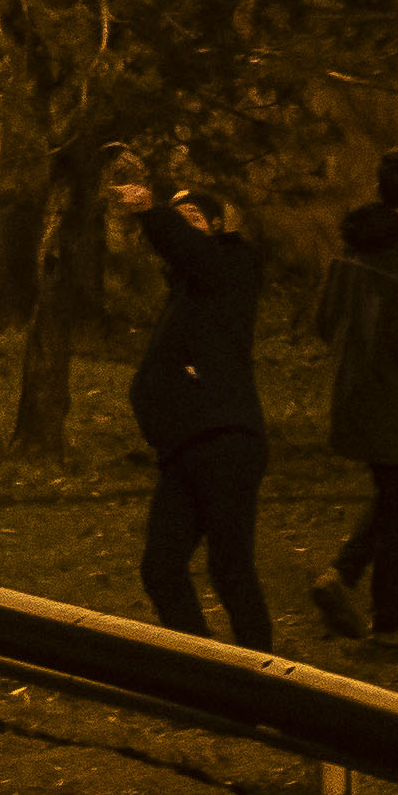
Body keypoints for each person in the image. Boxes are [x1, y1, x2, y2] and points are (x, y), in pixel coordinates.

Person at [118, 156, 274, 650]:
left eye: (195, 221)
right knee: (161, 569)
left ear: (216, 228)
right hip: (183, 450)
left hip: (225, 441)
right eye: (177, 221)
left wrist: (152, 209)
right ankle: (208, 672)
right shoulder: (184, 293)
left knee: (229, 567)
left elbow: (195, 254)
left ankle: (265, 680)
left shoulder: (232, 264)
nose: (183, 233)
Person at [318, 164, 398, 642]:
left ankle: (341, 575)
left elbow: (326, 321)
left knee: (393, 499)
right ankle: (388, 622)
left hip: (357, 396)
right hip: (394, 401)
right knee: (396, 511)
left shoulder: (355, 248)